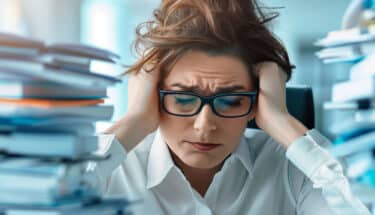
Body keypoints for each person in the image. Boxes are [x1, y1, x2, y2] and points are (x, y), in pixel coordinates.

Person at [92, 0, 371, 214]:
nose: (204, 125)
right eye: (184, 98)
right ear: (154, 96)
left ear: (256, 101)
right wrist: (135, 121)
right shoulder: (114, 168)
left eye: (231, 100)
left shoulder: (290, 167)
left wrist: (280, 120)